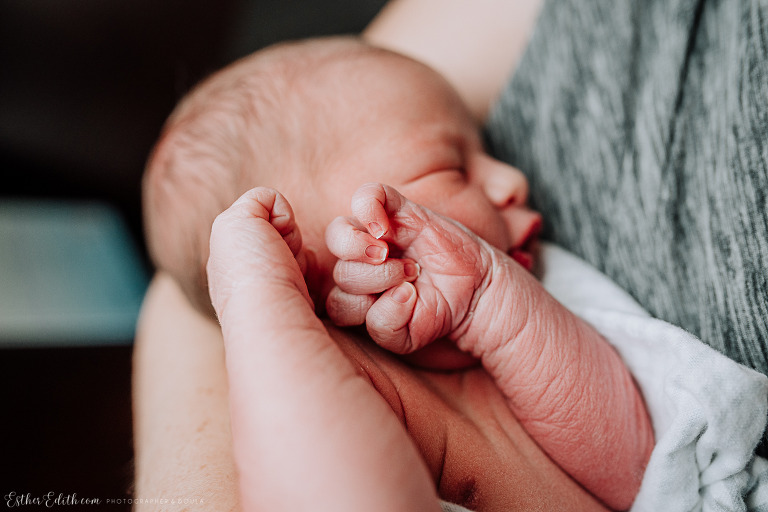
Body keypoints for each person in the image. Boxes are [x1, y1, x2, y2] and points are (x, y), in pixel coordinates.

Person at [133, 1, 768, 510]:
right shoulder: (342, 377)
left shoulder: (533, 283)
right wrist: (266, 315)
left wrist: (491, 301)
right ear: (313, 271)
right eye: (451, 164)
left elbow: (651, 462)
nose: (510, 179)